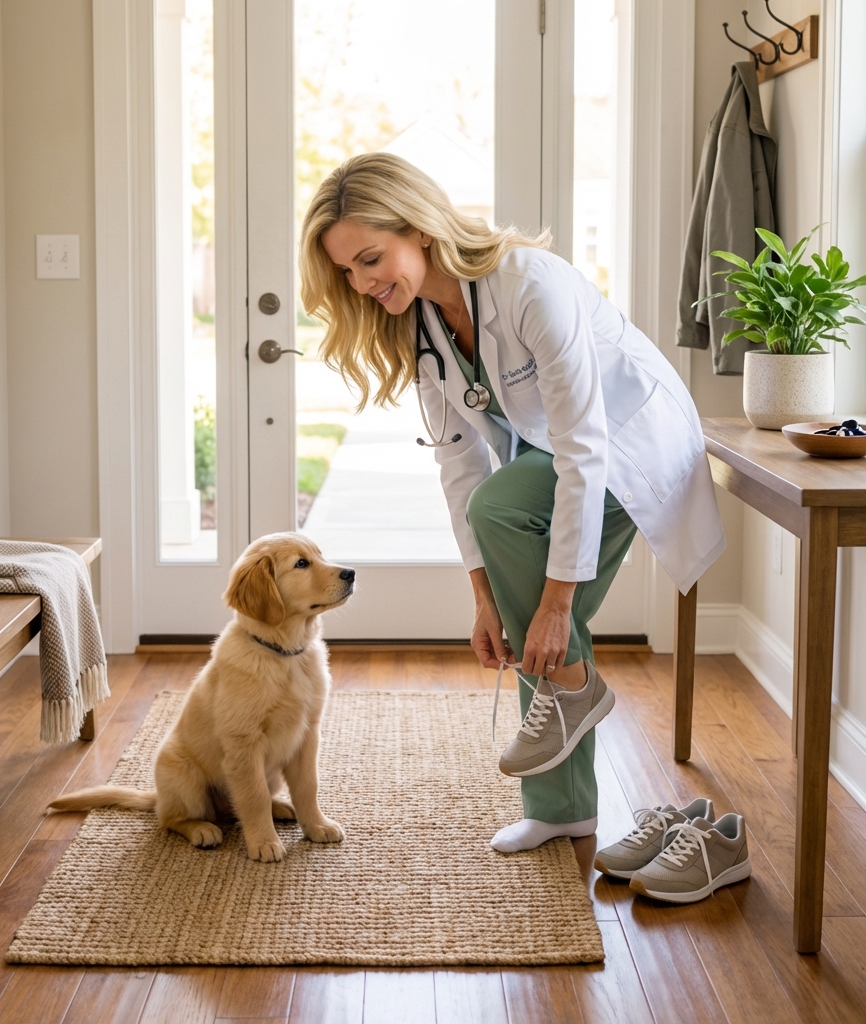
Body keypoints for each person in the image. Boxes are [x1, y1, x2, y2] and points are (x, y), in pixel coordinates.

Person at [298, 152, 725, 853]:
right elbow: (456, 460)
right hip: (555, 449)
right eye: (347, 271)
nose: (363, 283)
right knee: (518, 582)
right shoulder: (422, 321)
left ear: (421, 229)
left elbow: (585, 445)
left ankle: (566, 759)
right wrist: (484, 596)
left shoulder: (529, 286)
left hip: (630, 444)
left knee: (516, 545)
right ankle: (565, 794)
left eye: (371, 259)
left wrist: (558, 602)